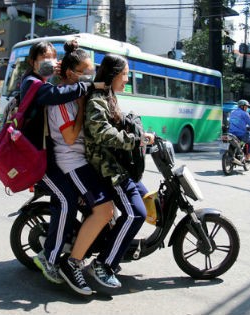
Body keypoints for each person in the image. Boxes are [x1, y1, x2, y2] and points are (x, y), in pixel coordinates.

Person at [17, 41, 104, 286]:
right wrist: (87, 86)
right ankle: (50, 258)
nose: (51, 61)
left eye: (54, 57)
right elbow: (56, 95)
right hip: (35, 158)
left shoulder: (42, 82)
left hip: (47, 155)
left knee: (69, 197)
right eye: (45, 57)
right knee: (66, 199)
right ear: (33, 61)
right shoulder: (32, 84)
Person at [46, 40, 116, 295]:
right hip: (72, 161)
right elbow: (70, 138)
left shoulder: (78, 93)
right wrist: (83, 104)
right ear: (70, 73)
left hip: (84, 159)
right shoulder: (63, 100)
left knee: (109, 205)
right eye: (85, 72)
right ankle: (72, 263)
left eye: (91, 70)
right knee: (104, 210)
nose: (89, 75)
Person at [84, 53, 155, 289]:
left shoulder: (109, 96)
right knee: (136, 213)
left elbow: (120, 121)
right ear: (113, 74)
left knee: (147, 198)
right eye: (125, 74)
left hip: (117, 164)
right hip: (107, 168)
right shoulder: (97, 100)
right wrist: (136, 139)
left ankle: (117, 244)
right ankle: (103, 264)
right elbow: (102, 133)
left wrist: (139, 130)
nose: (127, 79)